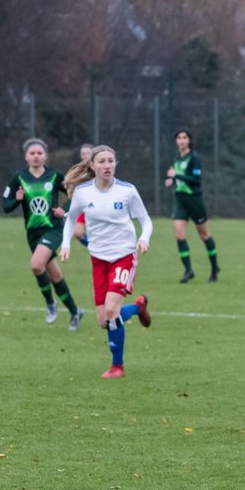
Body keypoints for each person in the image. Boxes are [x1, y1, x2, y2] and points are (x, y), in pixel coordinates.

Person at [60, 146, 153, 378]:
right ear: (92, 165)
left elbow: (145, 219)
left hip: (124, 255)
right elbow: (70, 219)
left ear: (116, 163)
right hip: (98, 259)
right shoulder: (83, 192)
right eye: (101, 161)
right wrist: (66, 244)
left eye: (111, 160)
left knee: (112, 310)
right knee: (104, 321)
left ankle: (117, 367)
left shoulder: (127, 191)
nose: (107, 165)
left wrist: (143, 237)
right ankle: (138, 307)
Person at [2, 138, 84, 330]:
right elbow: (5, 206)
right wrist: (17, 199)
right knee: (54, 276)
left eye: (39, 153)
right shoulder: (18, 178)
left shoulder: (54, 175)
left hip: (54, 229)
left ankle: (50, 304)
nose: (36, 156)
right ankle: (75, 312)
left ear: (45, 156)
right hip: (33, 234)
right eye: (32, 153)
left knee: (36, 265)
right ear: (26, 157)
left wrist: (64, 210)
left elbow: (74, 194)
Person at [165, 129, 219, 282]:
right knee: (179, 234)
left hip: (194, 201)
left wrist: (177, 176)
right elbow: (179, 178)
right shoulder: (177, 158)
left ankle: (214, 268)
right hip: (180, 200)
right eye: (179, 137)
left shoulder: (194, 158)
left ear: (189, 140)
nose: (181, 140)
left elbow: (196, 179)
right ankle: (188, 270)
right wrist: (172, 181)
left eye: (184, 137)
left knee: (204, 235)